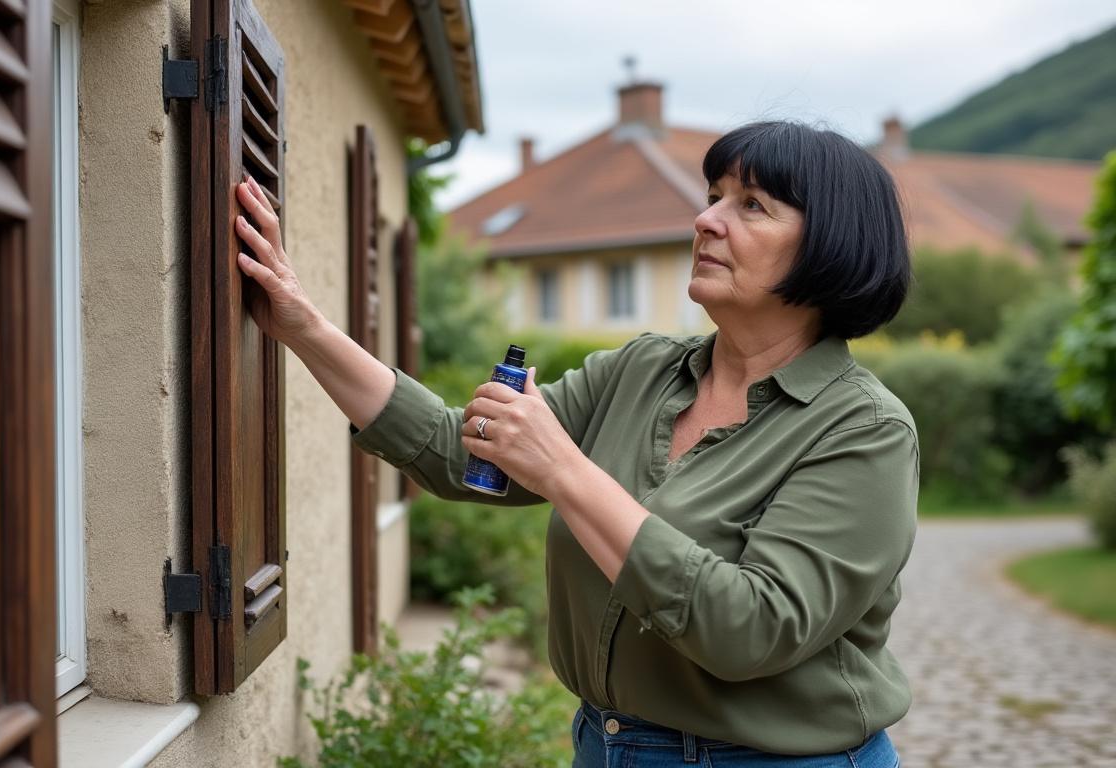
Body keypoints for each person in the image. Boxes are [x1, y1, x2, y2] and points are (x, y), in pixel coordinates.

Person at [233, 120, 914, 768]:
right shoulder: (641, 370)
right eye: (713, 197)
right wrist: (302, 326)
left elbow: (749, 630)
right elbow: (459, 455)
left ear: (831, 247)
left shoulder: (863, 430)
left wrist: (561, 467)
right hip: (606, 743)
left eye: (752, 205)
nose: (707, 220)